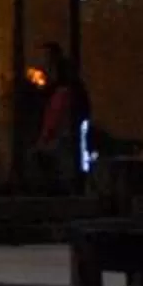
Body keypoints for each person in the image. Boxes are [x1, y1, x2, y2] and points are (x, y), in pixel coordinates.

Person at [38, 43, 89, 194]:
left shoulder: (61, 91)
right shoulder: (62, 89)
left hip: (61, 140)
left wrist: (45, 137)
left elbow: (55, 116)